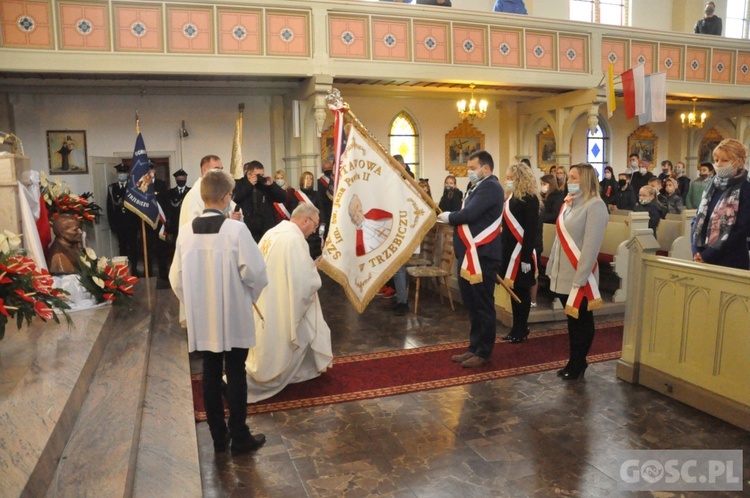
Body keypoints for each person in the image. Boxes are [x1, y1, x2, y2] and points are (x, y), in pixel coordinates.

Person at [169, 169, 268, 455]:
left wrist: (195, 303)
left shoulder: (186, 232)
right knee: (235, 372)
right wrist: (248, 297)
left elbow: (176, 278)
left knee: (210, 373)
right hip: (234, 314)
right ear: (226, 197)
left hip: (203, 318)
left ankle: (217, 437)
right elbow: (257, 273)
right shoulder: (235, 230)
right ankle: (239, 435)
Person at [245, 203, 333, 402]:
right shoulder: (294, 240)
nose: (313, 231)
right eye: (314, 225)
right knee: (297, 334)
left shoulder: (273, 232)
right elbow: (303, 281)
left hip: (265, 297)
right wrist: (315, 270)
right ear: (305, 220)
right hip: (283, 302)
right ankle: (261, 382)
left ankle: (303, 371)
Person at [437, 150, 503, 368]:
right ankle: (474, 347)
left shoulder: (491, 186)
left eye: (473, 168)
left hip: (482, 256)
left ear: (485, 168)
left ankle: (484, 351)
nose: (469, 172)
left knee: (483, 304)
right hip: (469, 256)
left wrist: (450, 216)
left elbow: (470, 215)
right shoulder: (476, 187)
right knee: (472, 304)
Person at [547, 163, 608, 381]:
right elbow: (558, 241)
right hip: (563, 273)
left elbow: (591, 247)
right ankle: (574, 361)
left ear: (585, 179)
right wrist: (551, 266)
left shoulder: (596, 206)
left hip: (580, 275)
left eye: (573, 177)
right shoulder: (569, 204)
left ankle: (579, 362)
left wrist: (580, 279)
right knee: (572, 322)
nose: (568, 181)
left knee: (582, 321)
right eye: (568, 178)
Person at [691, 138, 750, 270]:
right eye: (716, 160)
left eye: (724, 160)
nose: (719, 164)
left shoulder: (746, 188)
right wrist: (696, 250)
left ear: (738, 161)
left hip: (730, 259)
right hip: (702, 256)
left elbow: (741, 229)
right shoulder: (711, 185)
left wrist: (708, 255)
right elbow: (697, 219)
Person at [499, 163, 539, 343]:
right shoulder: (510, 198)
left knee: (522, 292)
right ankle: (516, 327)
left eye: (510, 178)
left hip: (523, 253)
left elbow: (531, 230)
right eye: (507, 178)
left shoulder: (530, 199)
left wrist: (525, 257)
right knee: (513, 291)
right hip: (509, 252)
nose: (507, 181)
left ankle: (522, 328)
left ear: (520, 179)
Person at [232, 161, 288, 242]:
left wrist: (272, 185)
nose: (260, 178)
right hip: (246, 229)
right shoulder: (238, 183)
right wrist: (249, 184)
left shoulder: (265, 185)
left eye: (262, 175)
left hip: (266, 229)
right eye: (257, 175)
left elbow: (282, 198)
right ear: (249, 174)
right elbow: (235, 197)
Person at [107, 163, 139, 275]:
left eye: (124, 172)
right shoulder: (112, 188)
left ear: (127, 173)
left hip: (132, 223)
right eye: (120, 172)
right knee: (122, 247)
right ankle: (123, 271)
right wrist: (112, 224)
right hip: (119, 223)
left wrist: (138, 224)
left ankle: (134, 269)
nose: (122, 174)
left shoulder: (133, 187)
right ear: (117, 173)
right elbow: (110, 208)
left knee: (134, 247)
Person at [298, 171, 322, 259]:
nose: (309, 181)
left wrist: (322, 228)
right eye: (306, 178)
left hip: (315, 230)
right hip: (303, 229)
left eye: (311, 179)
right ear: (302, 180)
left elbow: (321, 212)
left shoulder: (317, 194)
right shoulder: (296, 195)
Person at [167, 168, 190, 242]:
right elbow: (169, 209)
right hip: (175, 223)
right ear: (176, 179)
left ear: (186, 179)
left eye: (183, 178)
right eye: (179, 178)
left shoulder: (191, 191)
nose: (181, 180)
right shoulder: (170, 192)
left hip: (187, 222)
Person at [317, 160, 334, 241]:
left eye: (330, 168)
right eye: (325, 168)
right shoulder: (319, 182)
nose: (328, 170)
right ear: (323, 170)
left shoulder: (337, 180)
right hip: (326, 211)